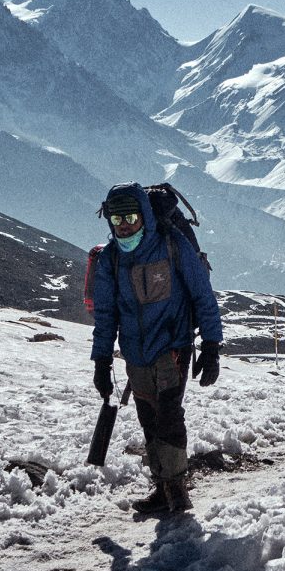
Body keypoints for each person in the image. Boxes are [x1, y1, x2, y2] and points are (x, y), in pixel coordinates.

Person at [90, 184, 223, 514]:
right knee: (148, 418)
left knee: (169, 416)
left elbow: (203, 297)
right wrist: (102, 361)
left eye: (131, 216)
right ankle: (163, 488)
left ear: (144, 217)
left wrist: (210, 346)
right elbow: (106, 315)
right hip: (135, 355)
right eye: (116, 217)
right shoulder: (110, 260)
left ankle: (177, 487)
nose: (123, 225)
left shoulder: (171, 244)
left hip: (172, 348)